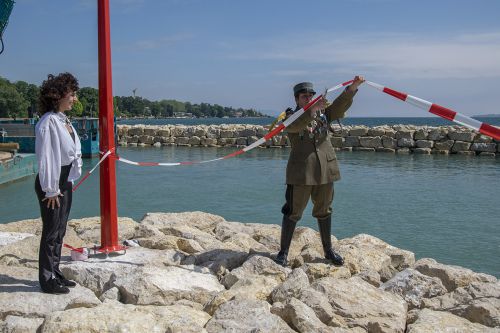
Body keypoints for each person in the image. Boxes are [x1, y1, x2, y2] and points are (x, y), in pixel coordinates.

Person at [275, 76, 365, 267]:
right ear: (296, 99)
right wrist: (311, 110)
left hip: (325, 170)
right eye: (304, 97)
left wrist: (352, 88)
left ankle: (328, 251)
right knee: (292, 211)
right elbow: (294, 127)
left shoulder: (324, 113)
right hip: (301, 172)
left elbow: (340, 106)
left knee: (324, 210)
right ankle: (283, 253)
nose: (308, 99)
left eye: (310, 96)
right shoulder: (290, 117)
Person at [35, 72, 82, 294]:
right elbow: (46, 158)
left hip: (64, 180)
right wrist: (51, 189)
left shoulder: (64, 120)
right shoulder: (48, 122)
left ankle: (55, 272)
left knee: (61, 229)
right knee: (51, 231)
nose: (74, 98)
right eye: (71, 94)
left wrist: (67, 180)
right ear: (59, 96)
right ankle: (47, 279)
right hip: (52, 183)